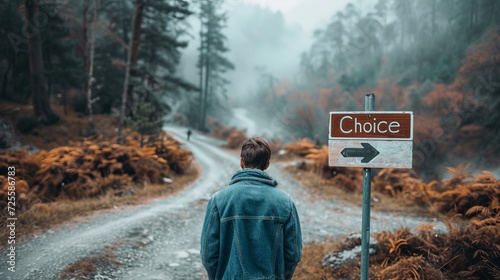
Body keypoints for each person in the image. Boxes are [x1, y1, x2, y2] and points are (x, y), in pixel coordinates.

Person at [200, 137, 302, 280]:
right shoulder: (285, 202)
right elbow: (293, 255)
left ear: (242, 162)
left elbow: (208, 255)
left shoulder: (219, 200)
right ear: (267, 164)